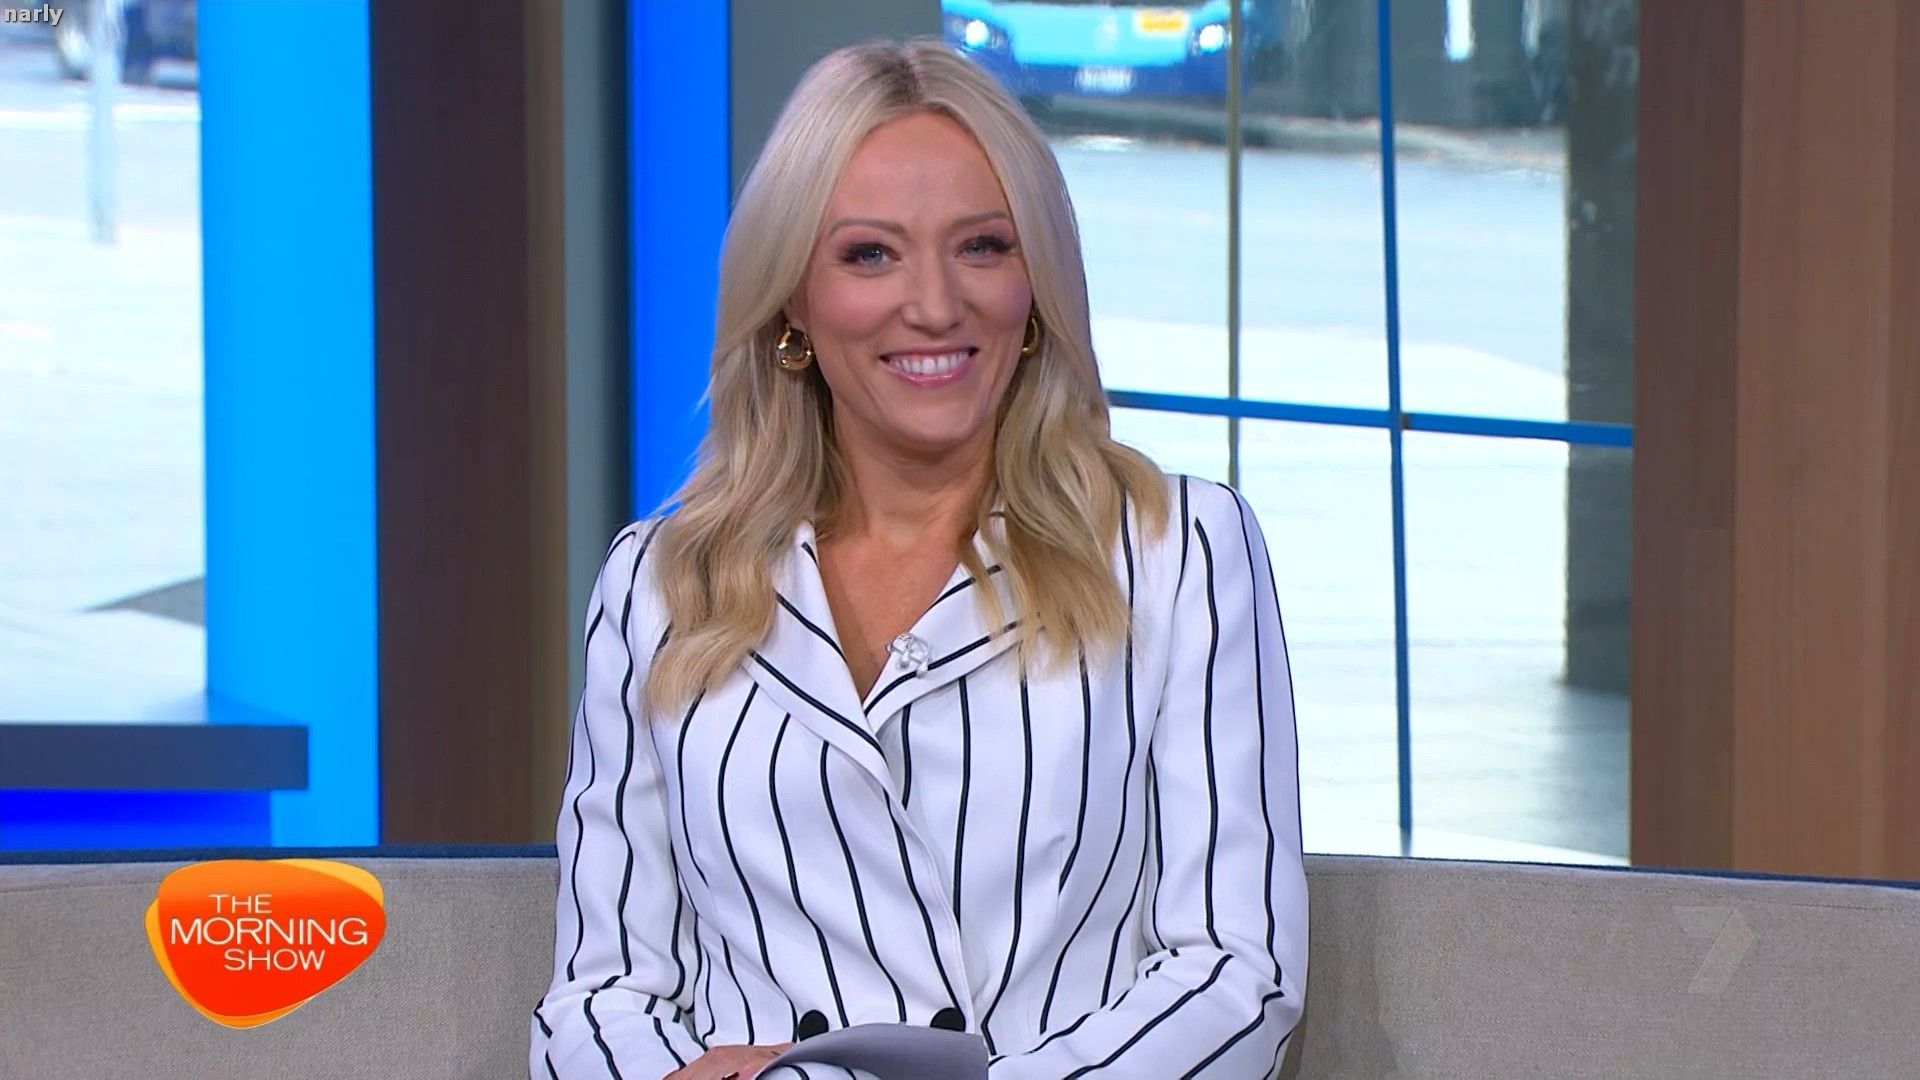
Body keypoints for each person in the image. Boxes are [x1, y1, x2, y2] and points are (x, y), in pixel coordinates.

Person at [531, 37, 1306, 1080]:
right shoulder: (660, 584)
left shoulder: (1180, 552)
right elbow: (600, 995)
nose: (936, 305)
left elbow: (1234, 974)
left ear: (1036, 283)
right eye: (870, 255)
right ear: (792, 300)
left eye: (983, 246)